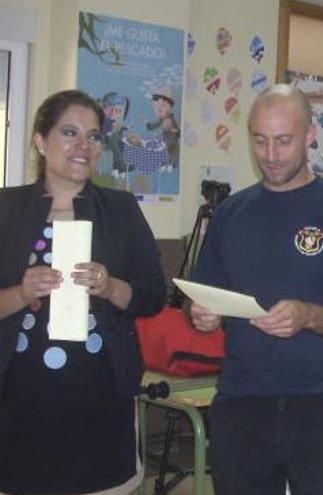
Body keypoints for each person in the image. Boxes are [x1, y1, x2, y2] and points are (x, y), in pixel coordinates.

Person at [187, 84, 323, 495]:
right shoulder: (230, 214)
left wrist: (310, 316)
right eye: (260, 141)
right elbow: (205, 298)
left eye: (283, 141)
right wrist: (202, 314)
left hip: (322, 406)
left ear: (310, 136)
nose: (271, 155)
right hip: (242, 401)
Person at [0, 89, 166, 494]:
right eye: (70, 133)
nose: (83, 146)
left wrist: (111, 288)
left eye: (93, 137)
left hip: (99, 395)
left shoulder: (121, 209)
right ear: (41, 140)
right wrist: (21, 293)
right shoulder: (6, 208)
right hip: (18, 395)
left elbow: (153, 295)